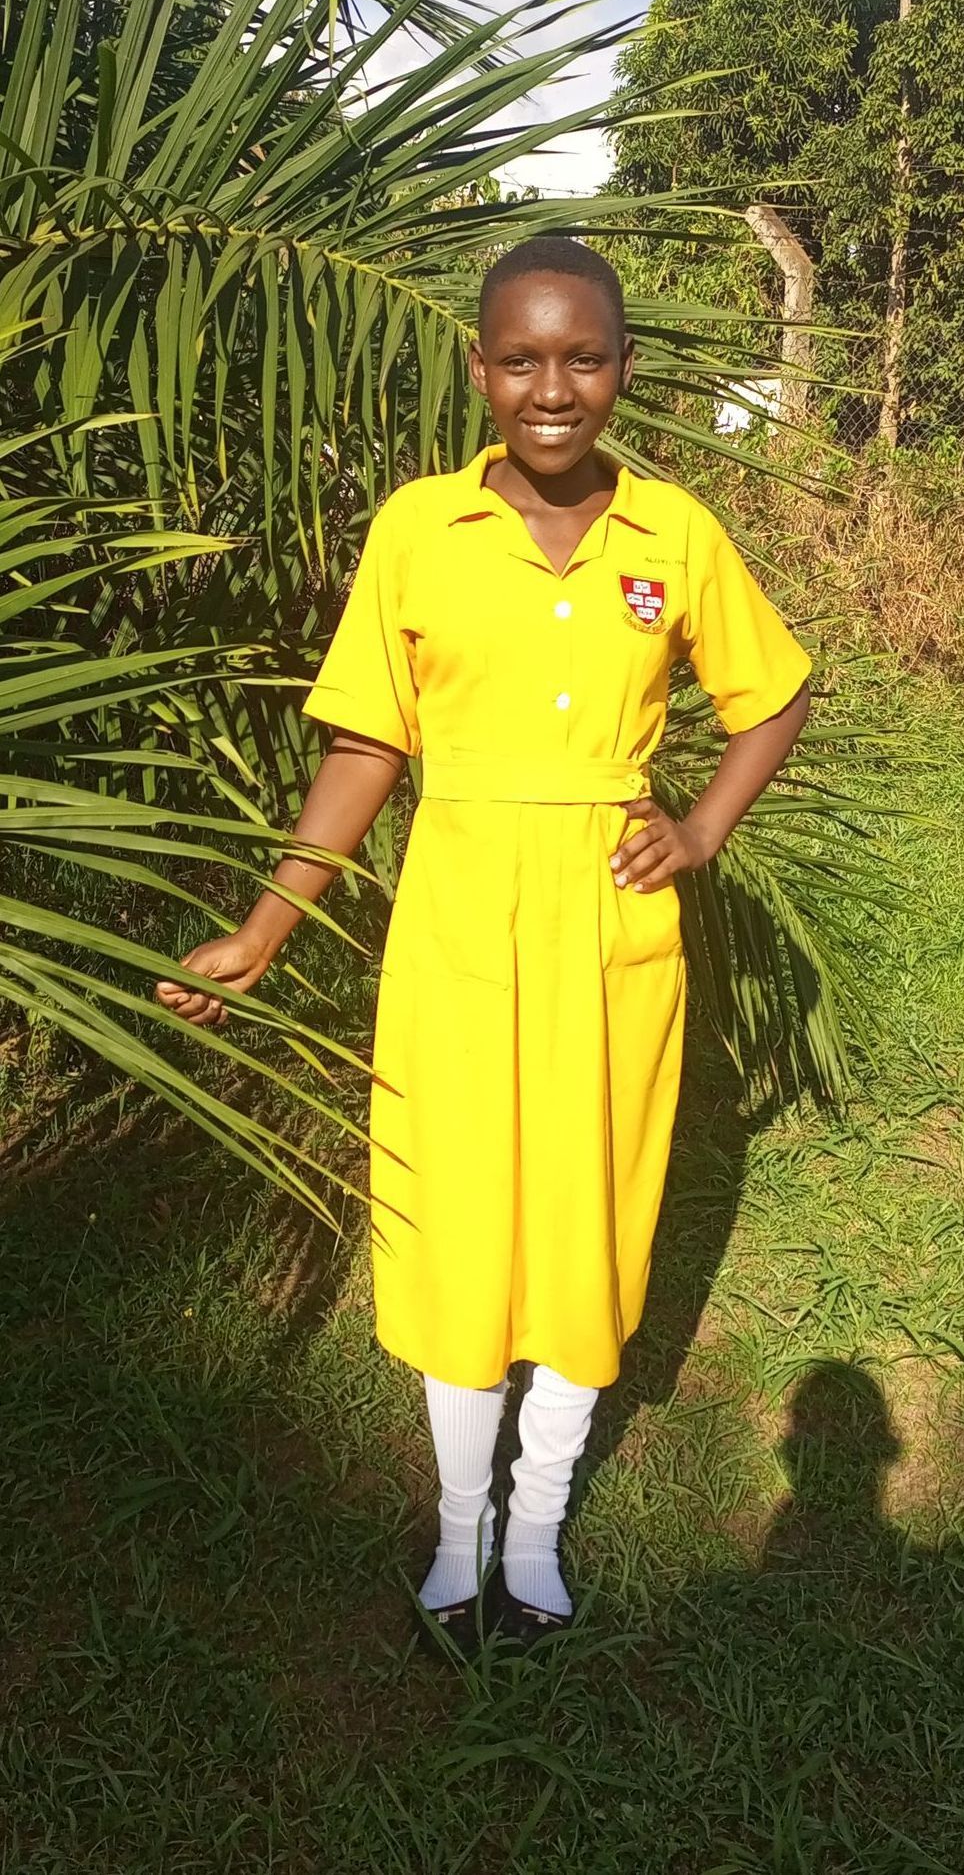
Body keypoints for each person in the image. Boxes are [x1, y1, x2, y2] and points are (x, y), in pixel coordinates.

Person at [156, 236, 811, 1653]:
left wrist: (696, 831)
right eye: (522, 358)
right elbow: (365, 746)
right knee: (457, 1224)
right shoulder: (417, 530)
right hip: (454, 930)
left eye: (584, 356)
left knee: (581, 1219)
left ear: (625, 369)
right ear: (480, 370)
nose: (553, 386)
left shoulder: (676, 536)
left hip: (609, 933)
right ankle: (457, 1537)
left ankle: (535, 1527)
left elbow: (771, 699)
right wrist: (268, 926)